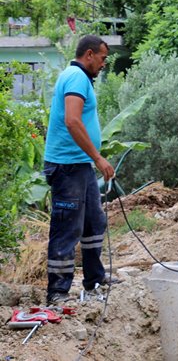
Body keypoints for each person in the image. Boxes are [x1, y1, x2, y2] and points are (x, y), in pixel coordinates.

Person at [43, 34, 115, 305]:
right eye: (102, 57)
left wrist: (92, 159)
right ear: (89, 54)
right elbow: (72, 121)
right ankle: (58, 293)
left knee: (94, 222)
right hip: (67, 167)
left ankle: (95, 279)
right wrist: (98, 157)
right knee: (66, 229)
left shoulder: (80, 78)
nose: (103, 63)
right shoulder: (75, 78)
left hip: (79, 165)